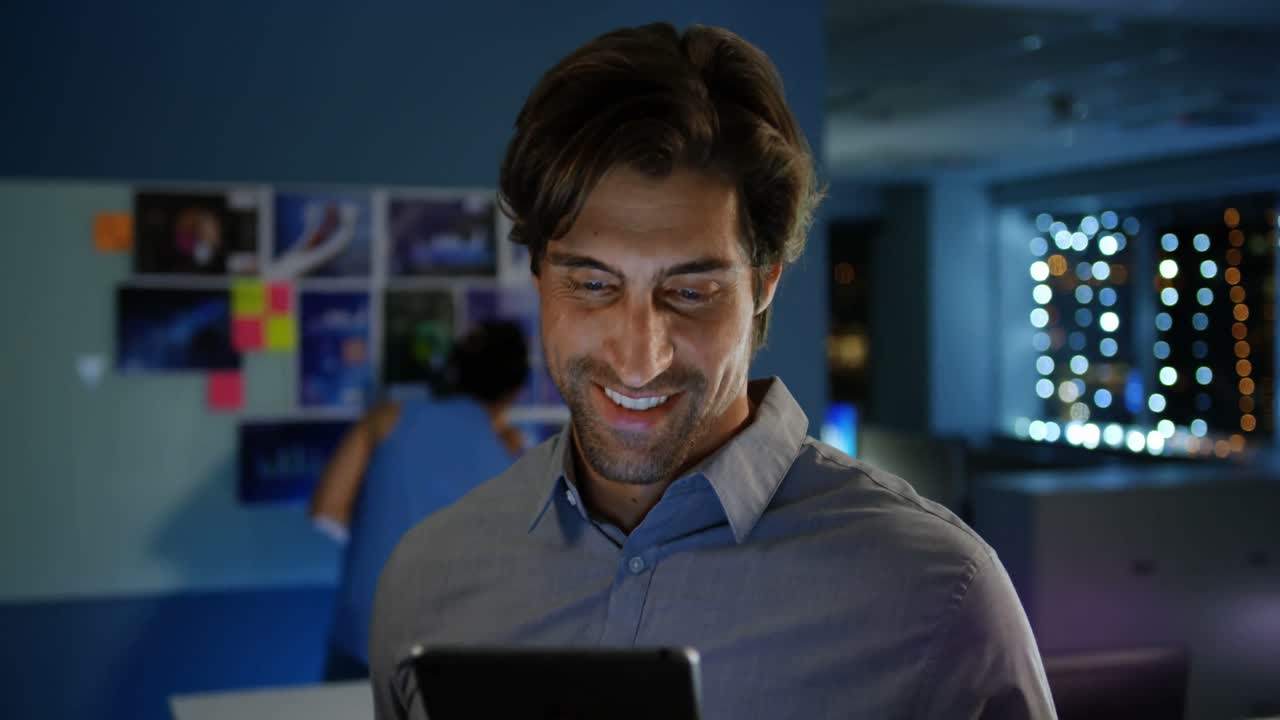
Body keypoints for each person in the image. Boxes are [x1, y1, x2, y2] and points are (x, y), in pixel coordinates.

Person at [371, 22, 1056, 719]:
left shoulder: (938, 596)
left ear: (764, 283)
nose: (639, 359)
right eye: (593, 285)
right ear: (539, 276)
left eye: (690, 292)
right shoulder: (429, 580)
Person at [309, 320, 530, 679]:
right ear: (514, 390)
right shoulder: (515, 459)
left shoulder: (387, 420)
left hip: (367, 641)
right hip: (461, 658)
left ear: (455, 372)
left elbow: (327, 511)